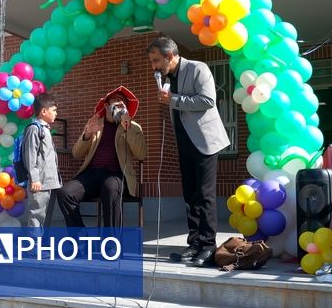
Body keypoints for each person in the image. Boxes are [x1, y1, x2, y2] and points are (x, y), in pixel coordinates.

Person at [147, 36, 230, 267]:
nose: (153, 66)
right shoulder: (168, 78)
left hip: (204, 142)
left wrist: (174, 99)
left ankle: (208, 245)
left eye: (156, 61)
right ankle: (194, 243)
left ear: (169, 56)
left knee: (204, 195)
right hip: (184, 142)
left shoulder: (197, 68)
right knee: (189, 195)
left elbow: (207, 100)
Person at [57, 86, 147, 228]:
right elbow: (76, 154)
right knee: (65, 193)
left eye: (122, 103)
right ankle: (80, 240)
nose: (119, 105)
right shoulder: (95, 124)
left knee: (110, 188)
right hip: (91, 174)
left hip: (116, 175)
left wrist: (128, 127)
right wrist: (87, 134)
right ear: (106, 105)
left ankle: (111, 244)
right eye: (116, 101)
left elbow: (141, 153)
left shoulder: (133, 126)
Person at [23, 93, 63, 236]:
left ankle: (40, 243)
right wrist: (35, 179)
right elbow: (30, 155)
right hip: (39, 182)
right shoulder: (34, 129)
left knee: (43, 216)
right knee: (37, 215)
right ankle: (33, 247)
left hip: (49, 181)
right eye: (54, 110)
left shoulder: (45, 129)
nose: (56, 113)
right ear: (44, 111)